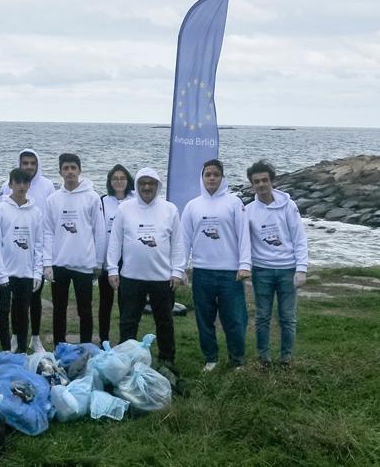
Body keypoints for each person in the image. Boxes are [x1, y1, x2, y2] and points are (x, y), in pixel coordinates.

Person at [107, 168, 184, 367]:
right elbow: (115, 241)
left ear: (157, 185)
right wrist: (112, 269)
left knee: (165, 321)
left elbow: (177, 243)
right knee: (128, 321)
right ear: (137, 185)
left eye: (151, 183)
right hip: (131, 277)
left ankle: (167, 360)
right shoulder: (125, 208)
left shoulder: (170, 209)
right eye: (143, 183)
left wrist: (177, 271)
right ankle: (126, 359)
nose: (147, 187)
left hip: (162, 278)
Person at [182, 159, 251, 371]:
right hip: (202, 272)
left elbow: (244, 236)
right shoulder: (192, 205)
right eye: (207, 174)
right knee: (205, 319)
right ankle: (210, 358)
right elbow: (184, 240)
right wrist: (181, 268)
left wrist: (244, 264)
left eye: (216, 174)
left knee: (234, 319)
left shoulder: (233, 203)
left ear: (222, 178)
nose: (211, 178)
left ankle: (237, 360)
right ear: (202, 178)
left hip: (231, 273)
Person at [245, 160, 308, 369]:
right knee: (262, 316)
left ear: (272, 181)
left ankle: (286, 359)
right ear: (252, 185)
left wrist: (301, 269)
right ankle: (263, 358)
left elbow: (299, 238)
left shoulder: (289, 206)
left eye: (265, 180)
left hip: (287, 270)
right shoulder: (248, 211)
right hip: (262, 271)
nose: (261, 185)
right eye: (256, 182)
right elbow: (244, 243)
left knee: (288, 317)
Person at [43, 153, 106, 346]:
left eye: (73, 168)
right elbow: (47, 233)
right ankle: (59, 347)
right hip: (59, 263)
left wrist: (99, 262)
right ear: (60, 172)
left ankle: (86, 347)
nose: (70, 172)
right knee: (59, 309)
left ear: (79, 170)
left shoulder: (92, 197)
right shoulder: (53, 199)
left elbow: (100, 231)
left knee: (84, 310)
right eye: (66, 168)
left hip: (84, 263)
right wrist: (47, 263)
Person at [0, 149, 55, 350]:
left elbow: (44, 231)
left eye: (33, 163)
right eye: (25, 163)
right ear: (11, 184)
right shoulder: (2, 204)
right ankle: (11, 341)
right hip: (8, 266)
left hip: (30, 264)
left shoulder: (47, 187)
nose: (29, 167)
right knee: (8, 308)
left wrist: (42, 266)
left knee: (32, 302)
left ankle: (34, 338)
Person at [0, 168, 43, 353]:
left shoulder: (36, 212)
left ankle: (22, 349)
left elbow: (38, 244)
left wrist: (37, 272)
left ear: (29, 185)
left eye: (25, 182)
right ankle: (6, 349)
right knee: (3, 311)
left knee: (22, 312)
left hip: (26, 271)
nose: (22, 186)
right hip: (5, 272)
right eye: (18, 182)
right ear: (10, 184)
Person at [98, 164, 135, 344]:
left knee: (125, 304)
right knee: (105, 303)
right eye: (115, 179)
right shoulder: (103, 201)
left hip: (128, 260)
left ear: (128, 181)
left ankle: (124, 342)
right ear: (110, 182)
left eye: (122, 178)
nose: (119, 182)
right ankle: (104, 340)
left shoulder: (135, 201)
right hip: (108, 260)